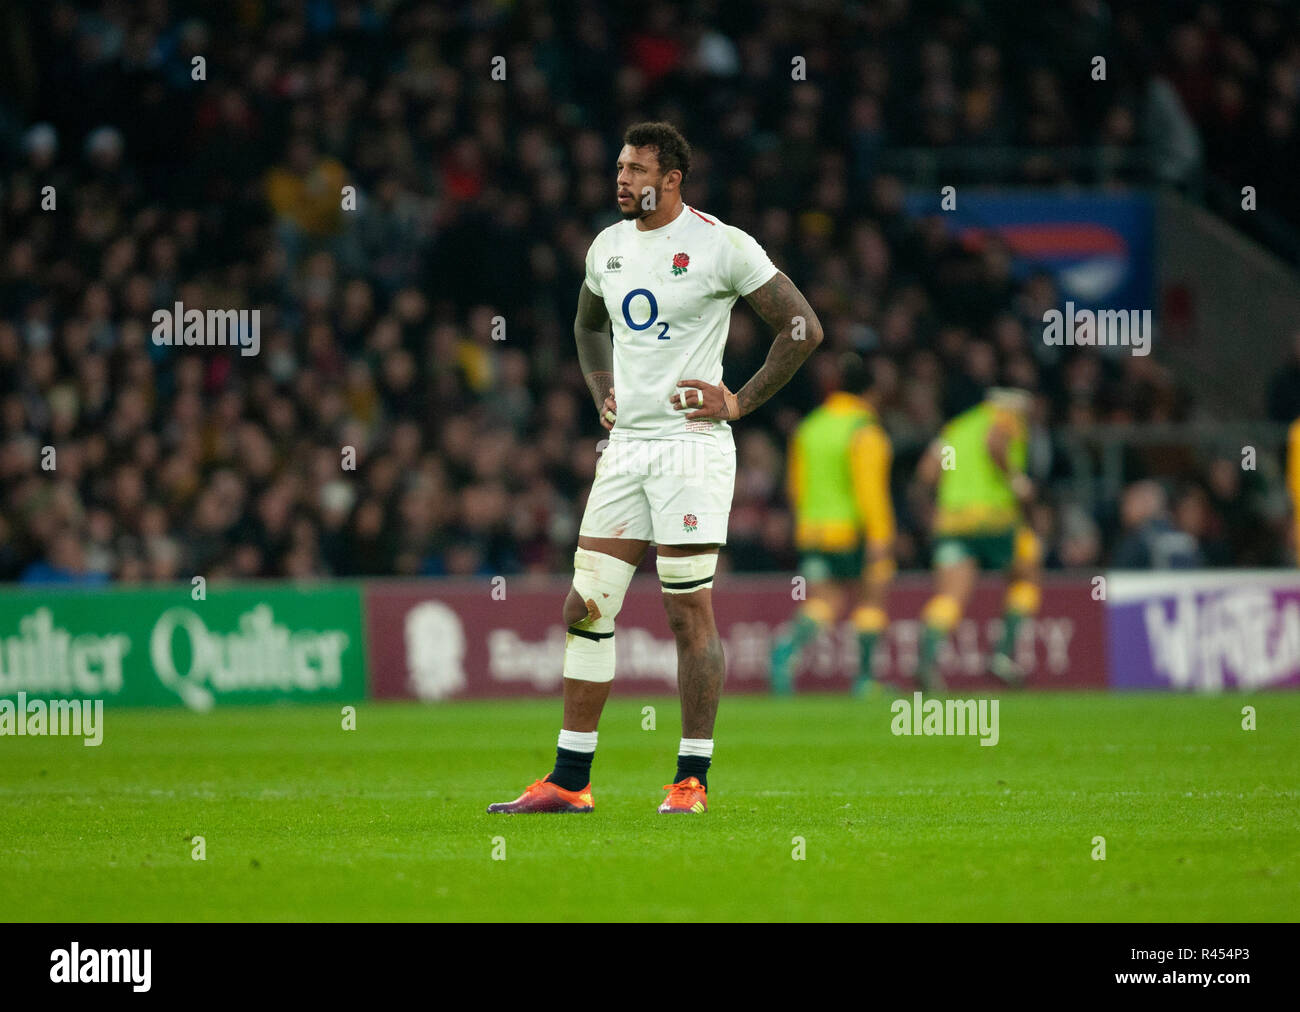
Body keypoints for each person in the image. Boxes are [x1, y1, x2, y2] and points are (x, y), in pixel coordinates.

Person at [489, 122, 823, 815]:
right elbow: (586, 326)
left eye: (638, 170)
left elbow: (802, 328)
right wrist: (599, 386)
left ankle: (690, 779)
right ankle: (569, 780)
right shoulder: (606, 248)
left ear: (673, 180)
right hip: (627, 450)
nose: (622, 180)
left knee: (685, 610)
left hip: (690, 449)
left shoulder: (720, 244)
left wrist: (737, 400)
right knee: (585, 606)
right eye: (619, 167)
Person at [769, 352, 896, 696]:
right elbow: (871, 491)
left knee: (824, 603)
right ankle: (865, 680)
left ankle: (786, 649)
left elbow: (794, 488)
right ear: (870, 394)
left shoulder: (808, 428)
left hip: (812, 531)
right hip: (852, 531)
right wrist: (881, 536)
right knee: (870, 600)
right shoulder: (864, 430)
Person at [913, 388, 1041, 691]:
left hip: (952, 520)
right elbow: (994, 443)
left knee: (950, 597)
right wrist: (1016, 480)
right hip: (993, 518)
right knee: (1026, 574)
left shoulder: (956, 428)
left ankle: (926, 663)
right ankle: (1001, 654)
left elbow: (927, 472)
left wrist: (939, 506)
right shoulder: (1006, 418)